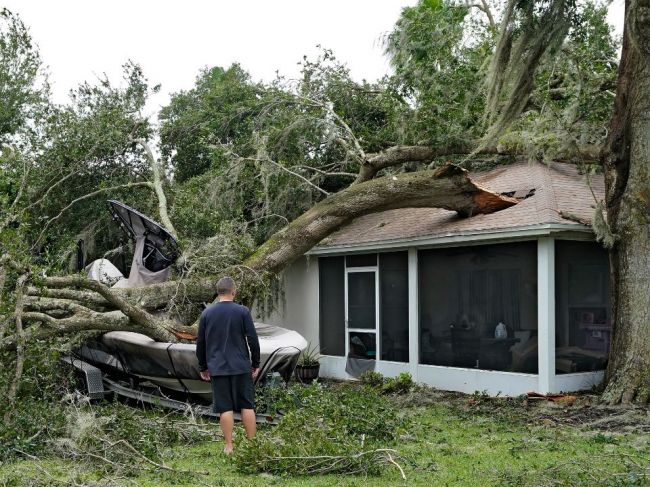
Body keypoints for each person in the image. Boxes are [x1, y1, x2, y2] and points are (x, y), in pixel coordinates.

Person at [196, 277, 260, 454]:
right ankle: (252, 445)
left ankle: (229, 445)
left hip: (218, 367)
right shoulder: (242, 311)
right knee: (247, 405)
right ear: (233, 291)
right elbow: (253, 340)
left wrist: (203, 366)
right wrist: (256, 363)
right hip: (241, 365)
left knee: (225, 407)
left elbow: (200, 343)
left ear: (218, 293)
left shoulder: (207, 314)